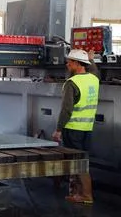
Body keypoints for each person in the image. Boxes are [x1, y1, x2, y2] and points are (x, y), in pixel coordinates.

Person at [52, 48, 100, 205]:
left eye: (70, 62)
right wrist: (91, 59)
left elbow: (66, 110)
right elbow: (93, 70)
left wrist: (59, 129)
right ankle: (79, 194)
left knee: (78, 163)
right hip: (87, 128)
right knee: (81, 160)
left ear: (78, 64)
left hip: (73, 129)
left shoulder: (72, 83)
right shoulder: (94, 79)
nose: (67, 64)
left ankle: (86, 195)